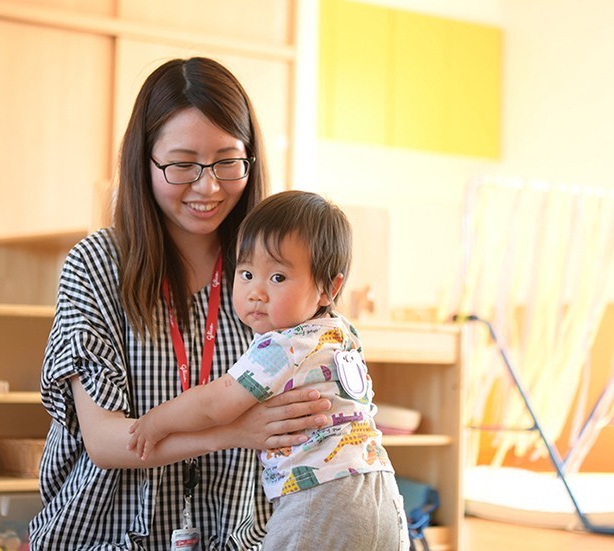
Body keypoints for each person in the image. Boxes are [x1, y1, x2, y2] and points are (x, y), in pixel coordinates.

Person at [28, 57, 332, 550]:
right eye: (183, 163)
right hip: (108, 536)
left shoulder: (274, 274)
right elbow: (106, 442)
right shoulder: (97, 265)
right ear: (144, 160)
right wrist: (232, 430)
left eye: (227, 161)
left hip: (242, 537)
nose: (208, 186)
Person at [127, 190, 410, 551]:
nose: (256, 291)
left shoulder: (283, 345)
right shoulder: (340, 331)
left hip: (320, 498)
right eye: (246, 273)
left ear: (328, 288)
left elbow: (216, 403)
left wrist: (157, 421)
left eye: (277, 278)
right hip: (381, 493)